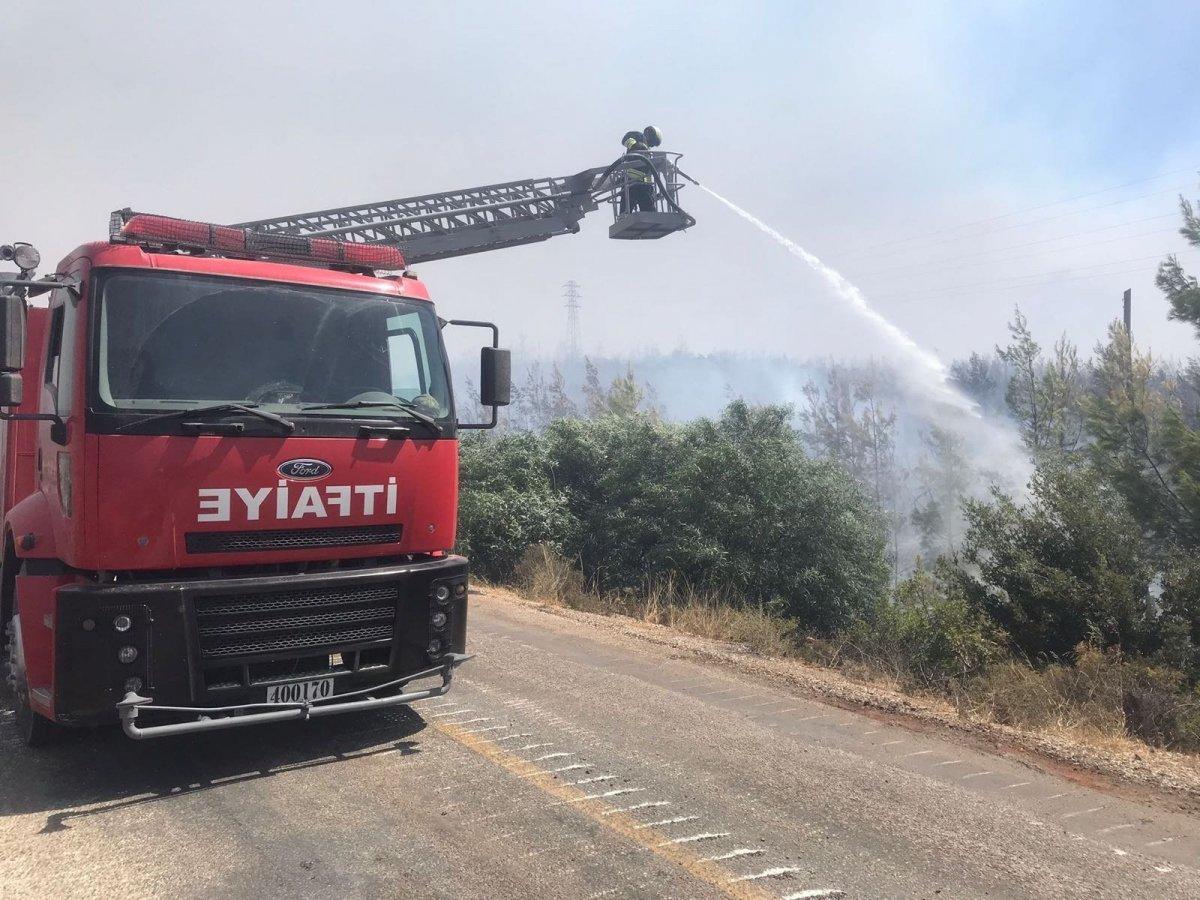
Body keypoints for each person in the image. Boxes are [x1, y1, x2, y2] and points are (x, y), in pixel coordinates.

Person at [619, 130, 656, 214]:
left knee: (649, 212)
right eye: (652, 142)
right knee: (624, 214)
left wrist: (653, 193)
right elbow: (625, 139)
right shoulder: (638, 136)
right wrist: (634, 145)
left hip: (642, 185)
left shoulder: (647, 151)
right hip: (631, 183)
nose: (651, 145)